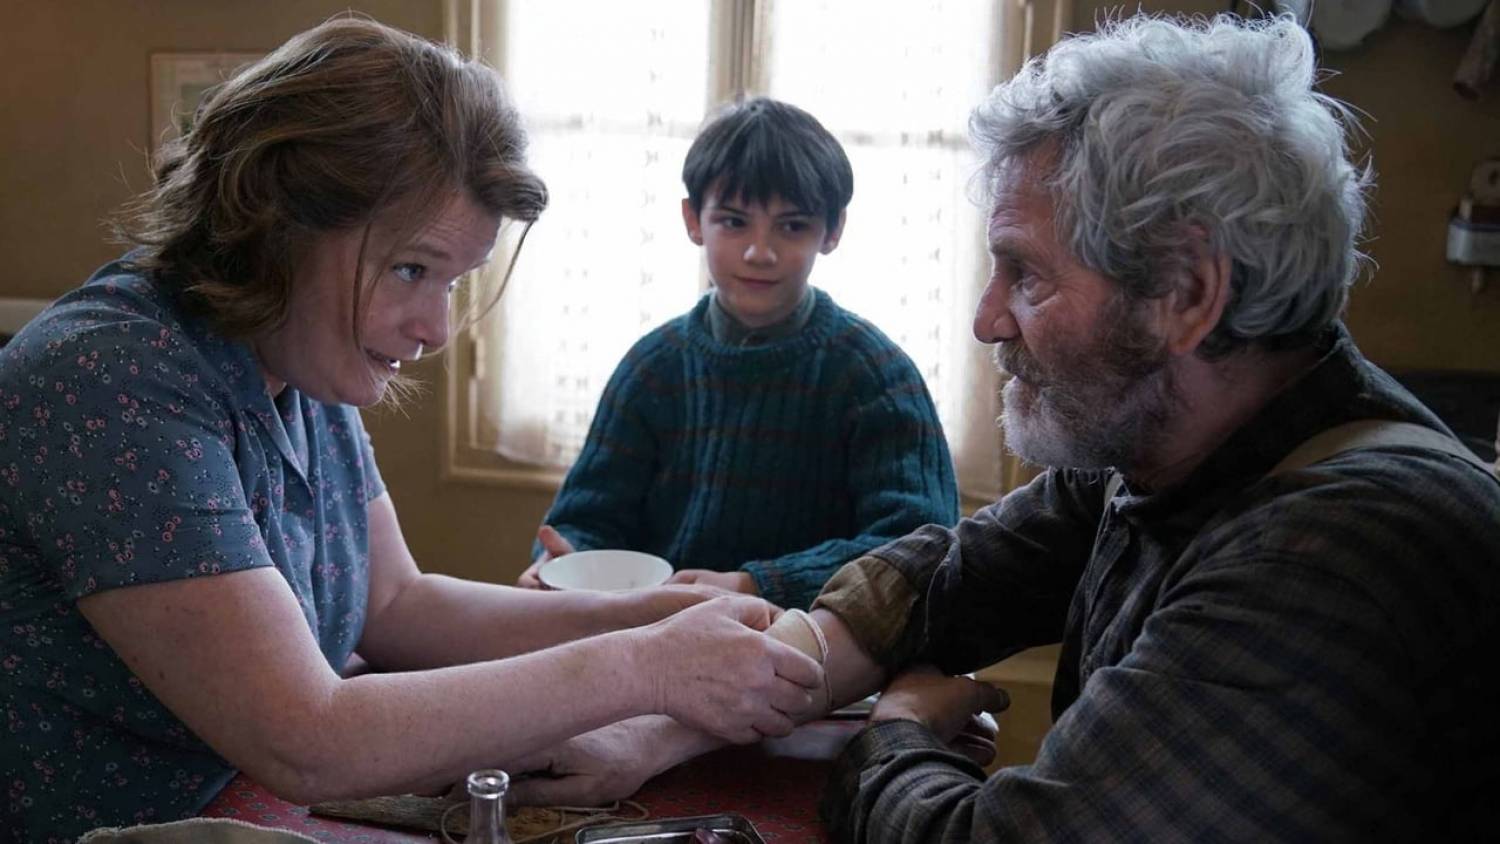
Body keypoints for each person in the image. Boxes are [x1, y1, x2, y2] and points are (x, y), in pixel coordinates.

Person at [509, 13, 1500, 841]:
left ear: (1187, 295)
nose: (987, 320)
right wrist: (658, 732)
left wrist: (895, 734)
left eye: (1024, 273)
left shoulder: (1330, 555)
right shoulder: (1163, 449)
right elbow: (938, 580)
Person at [0, 17, 824, 842]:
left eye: (454, 282)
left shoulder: (296, 352)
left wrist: (645, 615)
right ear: (276, 227)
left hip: (239, 809)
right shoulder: (106, 379)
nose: (435, 329)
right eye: (410, 269)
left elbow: (397, 605)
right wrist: (644, 664)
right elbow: (308, 736)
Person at [517, 97, 959, 610]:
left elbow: (919, 547)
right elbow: (589, 518)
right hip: (656, 636)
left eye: (792, 226)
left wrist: (757, 585)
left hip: (816, 642)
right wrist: (565, 561)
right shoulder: (652, 367)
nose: (759, 252)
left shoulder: (874, 375)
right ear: (693, 221)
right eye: (733, 222)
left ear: (833, 230)